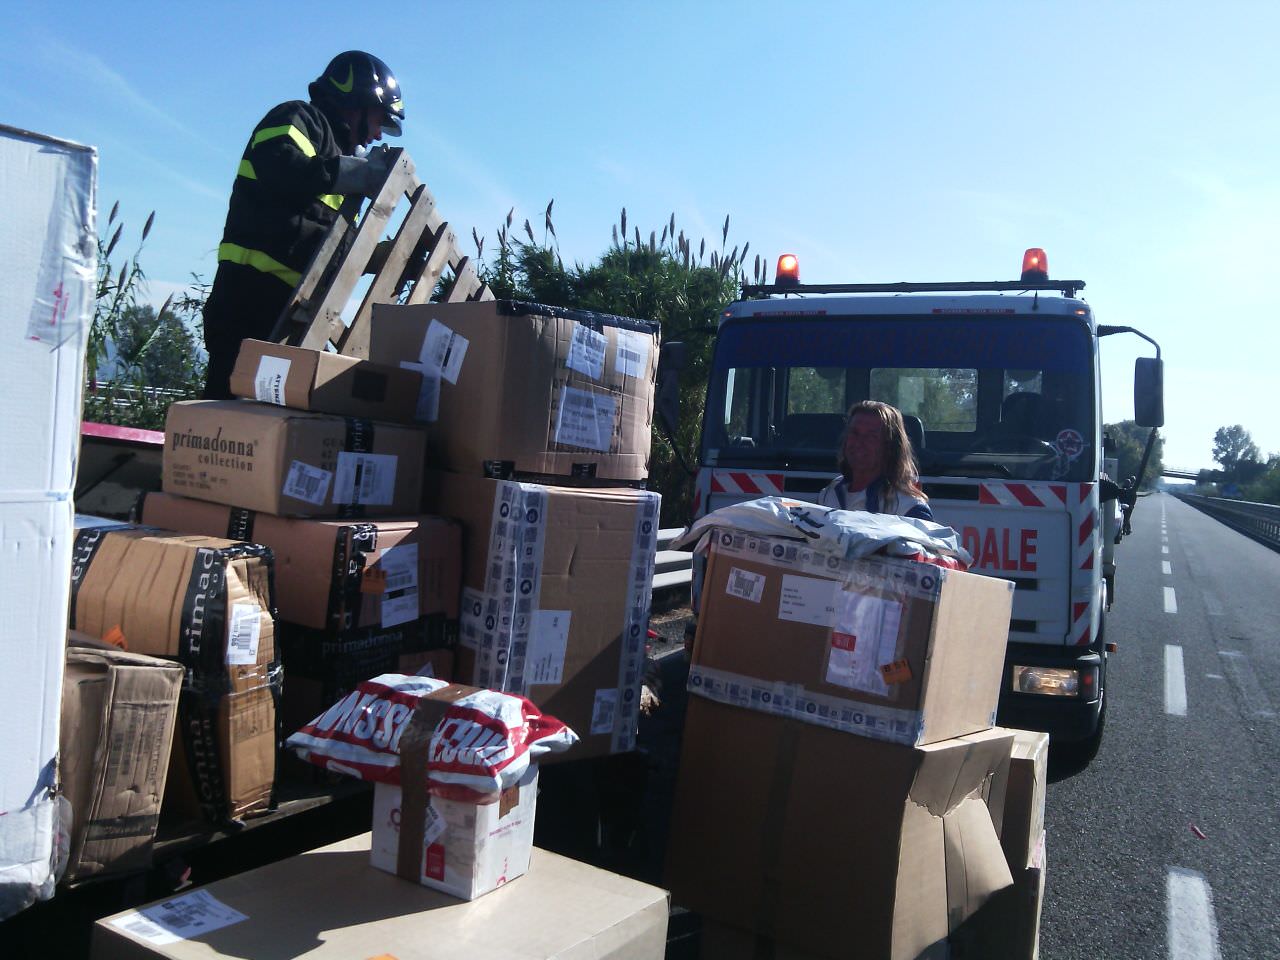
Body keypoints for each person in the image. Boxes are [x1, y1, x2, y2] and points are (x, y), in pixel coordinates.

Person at [201, 51, 406, 399]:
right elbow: (282, 167)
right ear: (356, 100)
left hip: (290, 313)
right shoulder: (297, 118)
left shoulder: (340, 166)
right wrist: (356, 174)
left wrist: (385, 256)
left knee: (265, 428)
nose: (375, 135)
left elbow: (329, 243)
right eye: (377, 119)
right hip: (247, 302)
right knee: (226, 422)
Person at [816, 400, 933, 520]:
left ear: (890, 446)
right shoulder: (829, 494)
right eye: (854, 433)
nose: (859, 442)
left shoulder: (908, 507)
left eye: (871, 436)